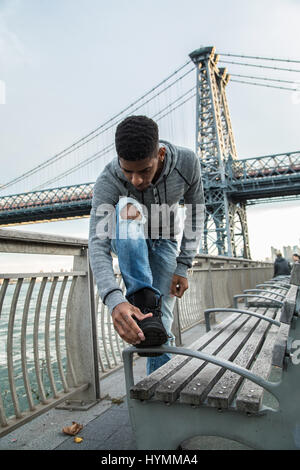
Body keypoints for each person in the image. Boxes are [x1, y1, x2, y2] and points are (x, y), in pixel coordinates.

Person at [88, 115, 205, 375]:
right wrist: (114, 299)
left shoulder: (187, 163)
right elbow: (98, 243)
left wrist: (183, 266)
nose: (136, 180)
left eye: (144, 171)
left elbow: (196, 213)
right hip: (128, 237)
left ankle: (159, 391)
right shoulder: (108, 180)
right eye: (127, 171)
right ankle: (141, 296)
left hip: (165, 241)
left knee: (158, 327)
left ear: (160, 154)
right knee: (128, 207)